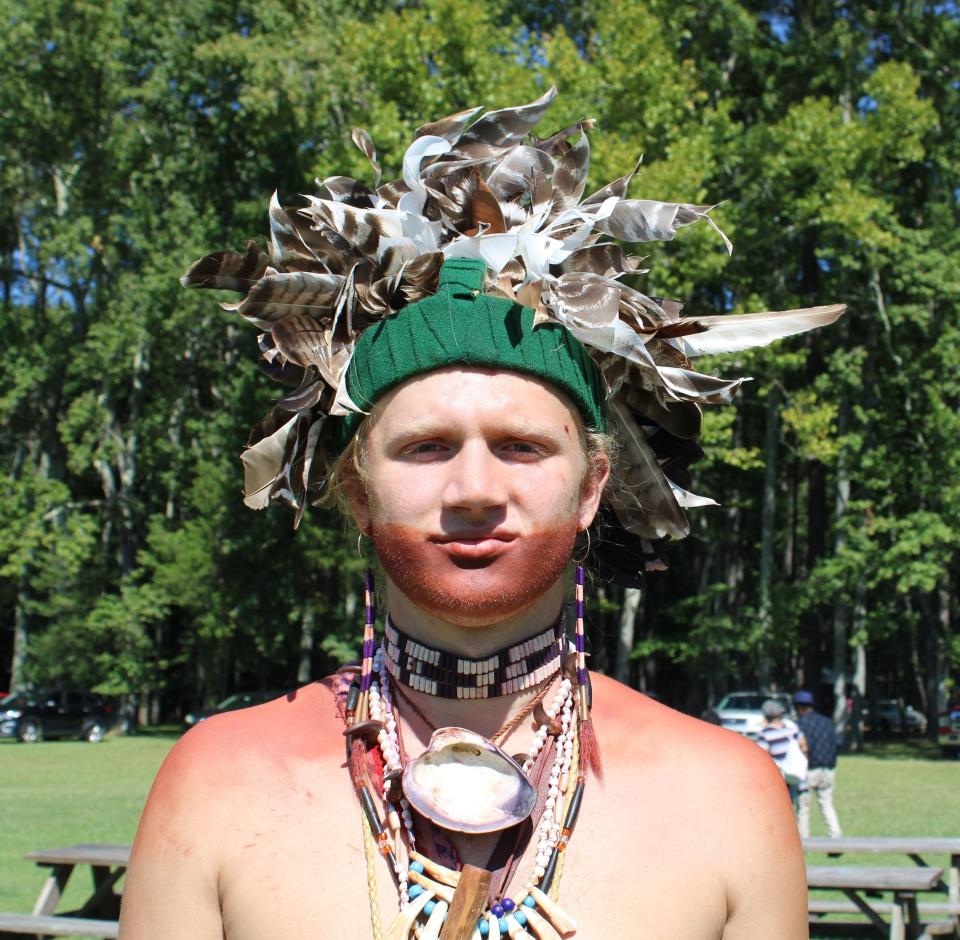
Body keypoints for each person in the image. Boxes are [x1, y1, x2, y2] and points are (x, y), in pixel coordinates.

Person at [120, 90, 840, 939]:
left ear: (592, 489)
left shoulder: (728, 796)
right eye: (425, 447)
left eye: (522, 447)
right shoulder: (216, 784)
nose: (473, 490)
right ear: (355, 490)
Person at [794, 690, 843, 838]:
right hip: (828, 769)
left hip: (808, 770)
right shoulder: (826, 722)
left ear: (799, 707)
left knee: (803, 807)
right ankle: (836, 836)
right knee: (826, 803)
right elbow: (838, 743)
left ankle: (803, 840)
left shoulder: (799, 724)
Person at [756, 700, 809, 811]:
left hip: (782, 782)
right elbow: (804, 747)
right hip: (800, 778)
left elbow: (761, 757)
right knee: (802, 813)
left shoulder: (765, 734)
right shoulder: (793, 729)